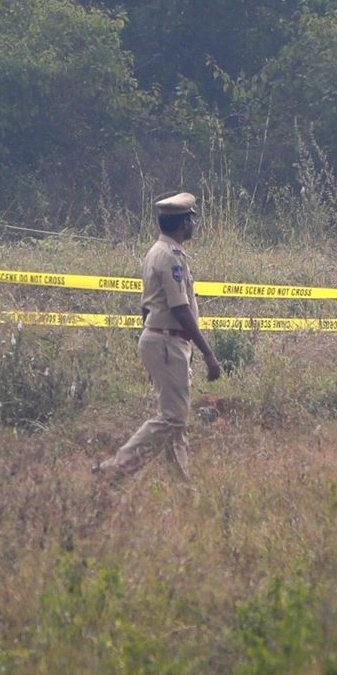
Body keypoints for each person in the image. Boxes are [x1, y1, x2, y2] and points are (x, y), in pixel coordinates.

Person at [94, 192, 223, 482]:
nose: (193, 225)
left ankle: (181, 485)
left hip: (161, 341)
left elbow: (145, 305)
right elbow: (180, 308)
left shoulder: (156, 252)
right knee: (172, 418)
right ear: (182, 224)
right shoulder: (171, 257)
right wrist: (208, 353)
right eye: (191, 220)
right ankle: (113, 470)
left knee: (176, 419)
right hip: (167, 341)